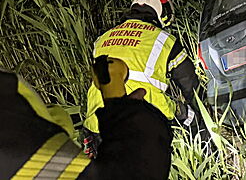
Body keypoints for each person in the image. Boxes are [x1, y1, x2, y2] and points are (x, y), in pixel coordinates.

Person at [0, 56, 172, 179]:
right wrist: (133, 121)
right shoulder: (9, 91)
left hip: (93, 125)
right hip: (115, 121)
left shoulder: (103, 39)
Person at [83, 0, 200, 157]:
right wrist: (200, 105)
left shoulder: (102, 39)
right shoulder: (164, 40)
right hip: (139, 122)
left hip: (97, 123)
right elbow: (189, 83)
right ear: (162, 13)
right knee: (191, 117)